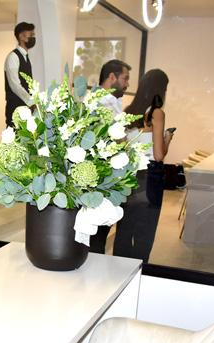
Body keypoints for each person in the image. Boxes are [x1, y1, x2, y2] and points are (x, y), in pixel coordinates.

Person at [113, 68, 174, 263]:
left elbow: (122, 147)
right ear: (160, 89)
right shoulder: (156, 113)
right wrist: (167, 138)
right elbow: (158, 155)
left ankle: (118, 271)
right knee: (144, 232)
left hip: (129, 175)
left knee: (124, 229)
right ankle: (139, 272)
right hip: (150, 176)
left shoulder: (129, 112)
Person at [89, 59, 132, 254]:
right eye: (125, 78)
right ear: (112, 77)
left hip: (108, 176)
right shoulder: (101, 102)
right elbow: (116, 138)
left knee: (100, 233)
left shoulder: (112, 101)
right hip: (101, 176)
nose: (127, 84)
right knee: (97, 234)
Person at [4, 22, 35, 127]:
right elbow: (15, 85)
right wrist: (31, 101)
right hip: (15, 110)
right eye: (31, 35)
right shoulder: (13, 57)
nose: (33, 37)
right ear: (21, 36)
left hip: (26, 110)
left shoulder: (26, 57)